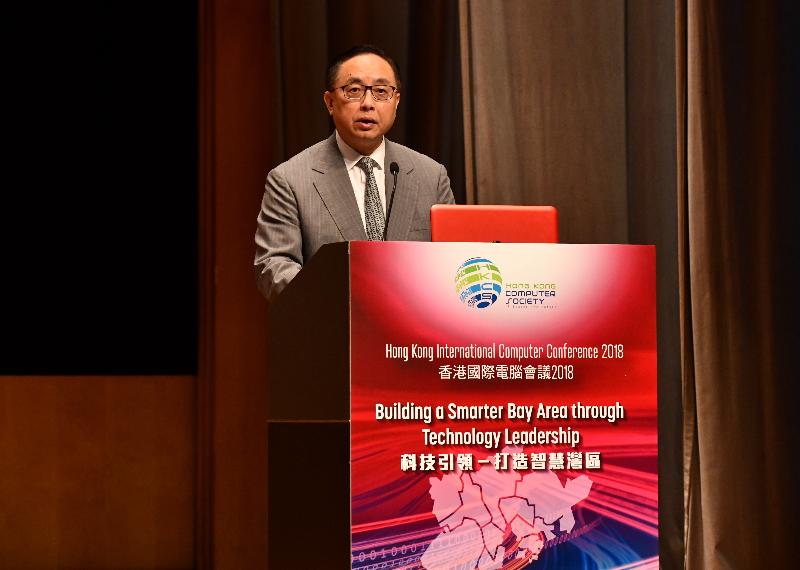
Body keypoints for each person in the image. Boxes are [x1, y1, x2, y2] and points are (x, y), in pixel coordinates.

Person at [254, 44, 455, 301]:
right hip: (333, 329)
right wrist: (340, 300)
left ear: (396, 102)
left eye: (381, 91)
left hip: (414, 332)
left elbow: (453, 260)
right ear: (330, 102)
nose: (368, 104)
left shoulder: (431, 176)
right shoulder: (290, 180)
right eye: (354, 91)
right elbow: (273, 265)